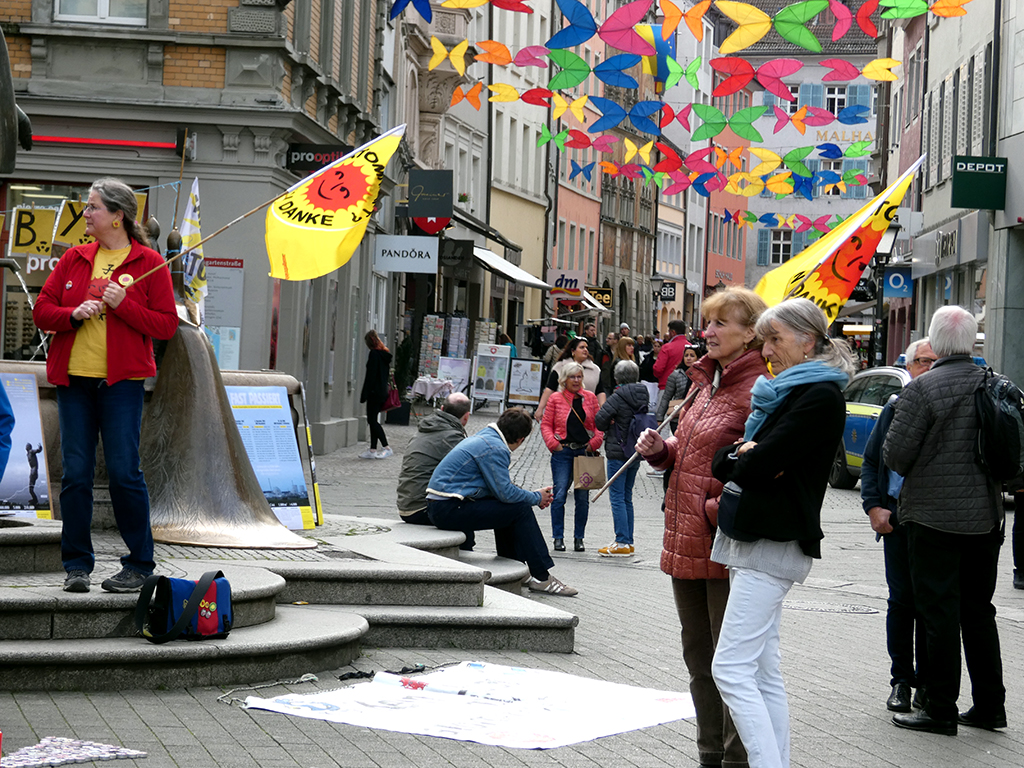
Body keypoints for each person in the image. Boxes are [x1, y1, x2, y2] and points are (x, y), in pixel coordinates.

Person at [706, 298, 853, 768]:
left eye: (775, 339)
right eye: (765, 339)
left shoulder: (819, 396)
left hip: (772, 541)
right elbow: (727, 458)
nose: (766, 350)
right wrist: (743, 454)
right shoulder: (786, 391)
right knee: (762, 670)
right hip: (752, 537)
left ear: (807, 341)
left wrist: (747, 456)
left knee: (730, 668)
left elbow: (757, 463)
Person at [637, 287, 770, 768]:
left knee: (730, 662)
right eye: (708, 323)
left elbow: (761, 465)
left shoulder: (759, 388)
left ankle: (737, 757)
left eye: (719, 324)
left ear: (750, 333)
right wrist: (662, 451)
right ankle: (709, 752)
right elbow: (693, 451)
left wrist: (714, 506)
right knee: (698, 656)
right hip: (686, 535)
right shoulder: (704, 382)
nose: (707, 332)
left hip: (724, 540)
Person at [33, 177, 178, 594]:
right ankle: (77, 566)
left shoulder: (149, 263)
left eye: (93, 206)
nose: (86, 213)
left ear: (118, 216)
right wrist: (72, 314)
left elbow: (166, 326)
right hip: (74, 382)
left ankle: (140, 564)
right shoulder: (74, 258)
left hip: (122, 384)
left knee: (124, 473)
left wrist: (124, 304)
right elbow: (42, 310)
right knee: (76, 474)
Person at [884, 306, 1007, 736]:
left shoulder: (922, 390)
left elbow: (896, 455)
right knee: (979, 612)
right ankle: (990, 705)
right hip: (986, 519)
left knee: (937, 613)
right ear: (972, 342)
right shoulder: (995, 385)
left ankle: (939, 708)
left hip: (933, 520)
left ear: (934, 343)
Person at [426, 407, 578, 596]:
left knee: (509, 509)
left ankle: (513, 567)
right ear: (521, 439)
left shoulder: (487, 437)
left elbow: (500, 490)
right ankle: (542, 577)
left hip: (442, 505)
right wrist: (536, 497)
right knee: (520, 509)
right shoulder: (495, 448)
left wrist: (531, 495)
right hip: (447, 508)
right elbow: (506, 493)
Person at [860, 338, 936, 714]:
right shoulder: (895, 406)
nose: (929, 368)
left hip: (935, 521)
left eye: (935, 361)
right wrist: (874, 506)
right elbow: (872, 461)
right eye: (922, 361)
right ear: (909, 366)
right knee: (902, 601)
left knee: (931, 605)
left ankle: (929, 684)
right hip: (897, 517)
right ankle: (902, 681)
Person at [541, 362, 604, 552]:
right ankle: (558, 537)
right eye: (572, 377)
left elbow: (599, 425)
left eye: (579, 377)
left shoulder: (590, 398)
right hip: (563, 452)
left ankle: (579, 538)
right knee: (559, 495)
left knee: (582, 498)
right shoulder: (556, 398)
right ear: (564, 380)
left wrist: (594, 443)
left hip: (584, 452)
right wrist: (554, 444)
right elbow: (546, 424)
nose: (576, 380)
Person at [594, 360, 648, 557]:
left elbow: (599, 421)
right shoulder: (643, 393)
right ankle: (628, 541)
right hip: (635, 451)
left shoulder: (618, 397)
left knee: (617, 497)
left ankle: (622, 541)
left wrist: (611, 420)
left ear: (617, 378)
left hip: (617, 450)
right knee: (626, 496)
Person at [397, 393, 472, 524]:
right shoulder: (452, 437)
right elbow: (469, 473)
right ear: (466, 416)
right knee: (476, 509)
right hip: (422, 508)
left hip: (406, 503)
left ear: (442, 409)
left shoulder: (425, 429)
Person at [534, 337, 604, 422]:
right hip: (562, 413)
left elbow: (600, 392)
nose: (585, 350)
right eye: (582, 347)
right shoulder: (560, 367)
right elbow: (550, 388)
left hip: (587, 414)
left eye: (586, 348)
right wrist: (540, 408)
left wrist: (603, 410)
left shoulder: (595, 369)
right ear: (573, 351)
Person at [359, 329, 393, 460]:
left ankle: (386, 447)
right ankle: (372, 449)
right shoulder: (384, 355)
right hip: (382, 391)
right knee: (373, 419)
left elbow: (370, 376)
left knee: (372, 420)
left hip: (374, 392)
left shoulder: (374, 355)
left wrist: (365, 393)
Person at [654, 319, 689, 389]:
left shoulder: (667, 347)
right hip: (685, 386)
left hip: (666, 384)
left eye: (669, 331)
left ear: (673, 332)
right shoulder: (689, 347)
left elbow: (658, 369)